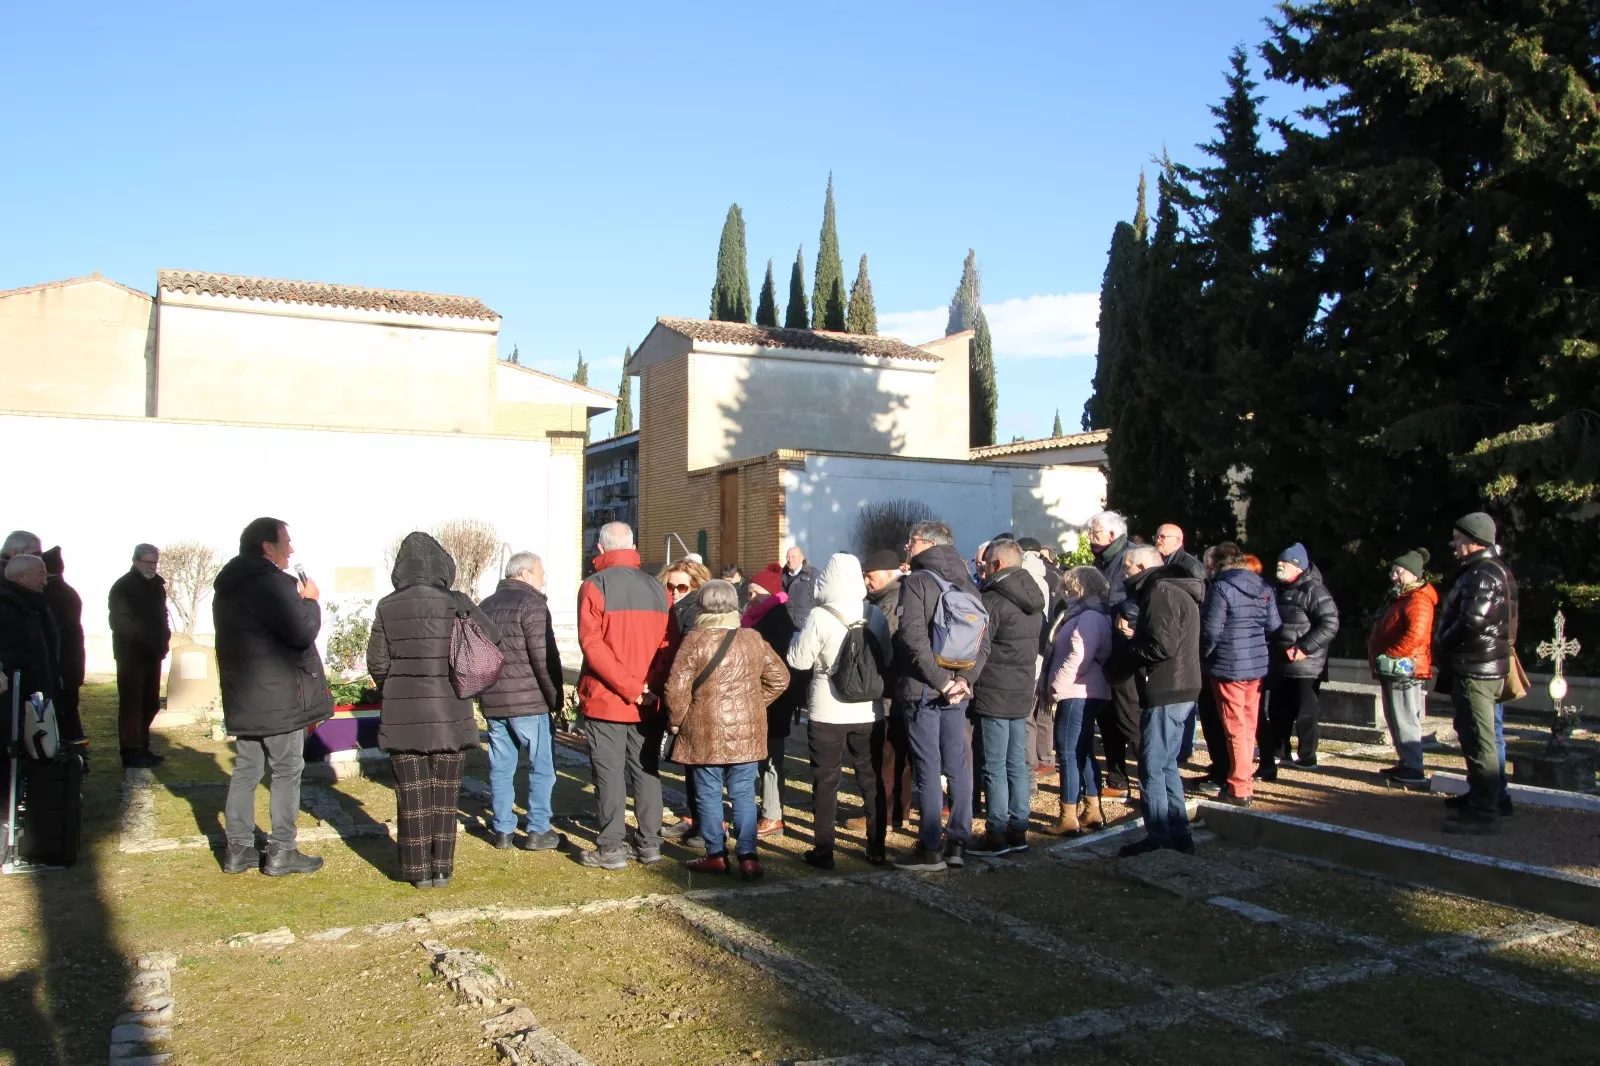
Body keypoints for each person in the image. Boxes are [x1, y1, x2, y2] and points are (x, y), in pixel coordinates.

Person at [368, 533, 501, 887]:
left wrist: (395, 689)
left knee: (411, 795)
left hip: (403, 715)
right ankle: (442, 869)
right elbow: (493, 639)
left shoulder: (387, 605)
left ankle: (416, 872)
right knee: (445, 796)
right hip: (451, 713)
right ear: (444, 564)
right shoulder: (457, 601)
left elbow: (377, 662)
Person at [214, 518, 332, 877]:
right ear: (267, 547)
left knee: (246, 770)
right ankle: (282, 850)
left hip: (244, 695)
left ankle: (238, 849)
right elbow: (300, 633)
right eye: (287, 542)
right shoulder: (272, 583)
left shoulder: (228, 586)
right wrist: (310, 602)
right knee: (286, 771)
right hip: (279, 696)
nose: (291, 549)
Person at [665, 580, 789, 880]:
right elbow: (780, 677)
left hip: (703, 729)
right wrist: (755, 704)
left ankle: (716, 855)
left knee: (708, 793)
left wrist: (677, 720)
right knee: (744, 793)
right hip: (747, 731)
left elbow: (676, 689)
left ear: (702, 606)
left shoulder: (695, 640)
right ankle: (748, 856)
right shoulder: (752, 638)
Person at [893, 520, 991, 872]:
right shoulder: (968, 581)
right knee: (958, 765)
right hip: (958, 692)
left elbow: (912, 639)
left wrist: (939, 681)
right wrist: (964, 681)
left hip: (924, 690)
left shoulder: (917, 582)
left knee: (928, 766)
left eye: (911, 542)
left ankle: (931, 846)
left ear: (926, 544)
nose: (907, 547)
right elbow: (984, 642)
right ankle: (959, 844)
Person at [787, 552, 892, 868]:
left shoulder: (819, 616)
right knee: (871, 779)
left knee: (826, 780)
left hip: (827, 710)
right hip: (868, 710)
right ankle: (876, 847)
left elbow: (798, 660)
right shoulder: (874, 613)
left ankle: (823, 850)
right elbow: (885, 656)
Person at [576, 521, 671, 869]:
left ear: (601, 549)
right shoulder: (659, 588)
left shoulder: (594, 585)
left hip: (608, 699)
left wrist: (631, 687)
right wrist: (649, 687)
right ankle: (649, 844)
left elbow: (592, 646)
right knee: (646, 773)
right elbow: (666, 645)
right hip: (646, 699)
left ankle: (612, 847)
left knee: (610, 774)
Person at [1117, 546, 1204, 856]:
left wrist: (1130, 650)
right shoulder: (1174, 589)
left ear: (1142, 566)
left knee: (1152, 762)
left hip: (1168, 684)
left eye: (1127, 569)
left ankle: (1159, 835)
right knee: (1165, 763)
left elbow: (1162, 645)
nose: (1124, 574)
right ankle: (1178, 833)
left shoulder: (1161, 591)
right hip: (1180, 683)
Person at [1435, 513, 1518, 835]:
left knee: (1479, 738)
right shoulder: (1496, 569)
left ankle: (1485, 812)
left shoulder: (1482, 574)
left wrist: (1442, 642)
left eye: (1458, 539)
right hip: (1486, 664)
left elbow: (1473, 620)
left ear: (1474, 540)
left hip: (1475, 668)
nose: (1454, 545)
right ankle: (1492, 796)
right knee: (1489, 735)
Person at [478, 551, 566, 852]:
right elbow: (543, 657)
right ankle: (538, 829)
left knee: (501, 767)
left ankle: (503, 829)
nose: (544, 579)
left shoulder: (485, 606)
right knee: (542, 767)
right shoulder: (532, 604)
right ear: (526, 574)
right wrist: (554, 697)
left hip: (494, 699)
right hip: (529, 702)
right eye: (542, 573)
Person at [968, 540, 1046, 857]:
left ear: (997, 565)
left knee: (995, 766)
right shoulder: (1034, 597)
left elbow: (979, 647)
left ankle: (997, 832)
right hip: (1023, 686)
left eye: (984, 564)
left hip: (996, 690)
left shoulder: (993, 600)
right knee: (1017, 762)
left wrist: (964, 680)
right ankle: (1019, 827)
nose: (981, 570)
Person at [1200, 542, 1281, 808]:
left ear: (1219, 564)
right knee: (1248, 724)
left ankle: (1239, 786)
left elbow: (1211, 630)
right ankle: (1243, 779)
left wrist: (1207, 654)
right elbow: (1274, 625)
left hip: (1228, 663)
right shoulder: (1263, 586)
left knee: (1235, 726)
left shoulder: (1221, 587)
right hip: (1255, 664)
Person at [1041, 565, 1112, 835]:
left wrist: (1056, 685)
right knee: (1082, 752)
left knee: (1069, 753)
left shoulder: (1089, 617)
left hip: (1078, 692)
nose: (1066, 592)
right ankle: (1092, 811)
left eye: (1070, 587)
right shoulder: (1089, 614)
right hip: (1085, 690)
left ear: (1082, 587)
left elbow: (1078, 656)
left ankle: (1068, 816)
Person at [1262, 543, 1340, 774]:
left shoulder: (1314, 590)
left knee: (1306, 712)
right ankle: (1280, 750)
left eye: (1284, 562)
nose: (1279, 565)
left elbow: (1330, 623)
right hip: (1279, 662)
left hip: (1305, 664)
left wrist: (1303, 647)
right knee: (1277, 710)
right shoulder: (1278, 589)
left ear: (1298, 566)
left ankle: (1307, 755)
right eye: (1279, 561)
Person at [1369, 549, 1438, 788]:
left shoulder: (1418, 599)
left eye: (1398, 572)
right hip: (1394, 668)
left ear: (1412, 573)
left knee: (1406, 717)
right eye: (1393, 571)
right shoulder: (1402, 598)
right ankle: (1406, 761)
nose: (1394, 576)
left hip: (1405, 668)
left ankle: (1414, 766)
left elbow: (1416, 635)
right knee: (1395, 716)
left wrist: (1391, 654)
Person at [1086, 510, 1140, 797]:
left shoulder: (1128, 557)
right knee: (1106, 718)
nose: (1090, 538)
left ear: (1113, 534)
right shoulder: (1101, 560)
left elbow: (1137, 596)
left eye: (1095, 533)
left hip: (1123, 650)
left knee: (1129, 716)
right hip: (1103, 648)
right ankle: (1117, 780)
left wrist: (1125, 616)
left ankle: (1149, 779)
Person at [659, 558, 712, 844]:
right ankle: (695, 817)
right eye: (670, 586)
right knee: (689, 763)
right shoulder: (671, 608)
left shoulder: (694, 613)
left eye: (681, 585)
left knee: (700, 764)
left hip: (694, 695)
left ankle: (707, 824)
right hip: (680, 692)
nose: (675, 591)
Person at [108, 543, 171, 768]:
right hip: (131, 655)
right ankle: (131, 751)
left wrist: (164, 638)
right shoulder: (123, 587)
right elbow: (120, 622)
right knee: (132, 705)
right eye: (148, 562)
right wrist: (144, 639)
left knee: (149, 702)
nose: (153, 566)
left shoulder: (157, 586)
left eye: (155, 562)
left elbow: (162, 614)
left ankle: (143, 746)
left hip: (153, 653)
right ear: (136, 561)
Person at [863, 548, 914, 830]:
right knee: (897, 757)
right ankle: (898, 814)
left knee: (887, 757)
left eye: (870, 577)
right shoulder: (885, 599)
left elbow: (885, 652)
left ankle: (886, 814)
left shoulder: (890, 603)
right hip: (894, 691)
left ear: (887, 573)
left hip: (888, 693)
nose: (867, 582)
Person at [39, 547, 87, 752]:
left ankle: (70, 755)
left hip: (61, 663)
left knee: (62, 715)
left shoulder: (49, 594)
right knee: (71, 713)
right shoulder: (69, 592)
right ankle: (79, 753)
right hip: (72, 662)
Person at [0, 555, 59, 709]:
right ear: (22, 577)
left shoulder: (35, 605)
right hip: (12, 696)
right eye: (40, 574)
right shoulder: (6, 606)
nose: (44, 581)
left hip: (34, 695)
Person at [781, 546, 816, 629]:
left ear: (801, 558)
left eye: (793, 557)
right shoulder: (782, 576)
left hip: (804, 624)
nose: (790, 559)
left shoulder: (813, 575)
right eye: (788, 557)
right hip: (785, 623)